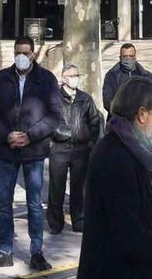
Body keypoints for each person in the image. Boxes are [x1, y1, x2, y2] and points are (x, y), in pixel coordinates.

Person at [80, 78, 152, 279]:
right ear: (142, 114)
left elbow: (129, 213)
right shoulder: (117, 156)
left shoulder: (131, 149)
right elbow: (127, 235)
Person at [0, 37, 64, 270]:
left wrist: (31, 135)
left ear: (33, 54)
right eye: (17, 52)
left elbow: (55, 115)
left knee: (34, 204)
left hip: (34, 152)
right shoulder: (2, 78)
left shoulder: (46, 79)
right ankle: (5, 250)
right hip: (7, 152)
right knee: (4, 203)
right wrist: (6, 134)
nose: (21, 56)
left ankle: (36, 251)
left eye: (25, 52)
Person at [49, 63, 99, 235]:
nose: (75, 78)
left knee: (79, 188)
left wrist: (91, 143)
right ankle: (55, 222)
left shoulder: (85, 98)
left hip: (81, 149)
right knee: (57, 187)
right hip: (59, 148)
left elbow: (94, 121)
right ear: (63, 78)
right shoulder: (53, 97)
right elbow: (47, 120)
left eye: (77, 75)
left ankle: (79, 220)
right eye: (71, 75)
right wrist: (53, 139)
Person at [103, 42, 152, 111]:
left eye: (131, 56)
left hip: (141, 118)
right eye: (125, 56)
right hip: (119, 119)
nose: (128, 59)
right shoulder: (111, 76)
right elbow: (107, 101)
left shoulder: (147, 76)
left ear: (135, 57)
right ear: (120, 58)